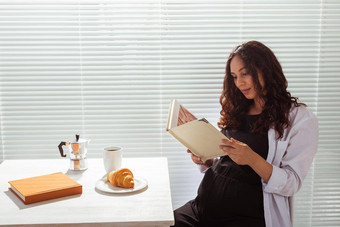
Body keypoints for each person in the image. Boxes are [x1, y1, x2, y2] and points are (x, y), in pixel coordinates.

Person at [173, 41, 318, 227]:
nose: (239, 83)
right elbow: (228, 163)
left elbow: (292, 183)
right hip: (202, 208)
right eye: (234, 76)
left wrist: (252, 158)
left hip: (245, 218)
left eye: (245, 73)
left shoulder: (300, 119)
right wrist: (206, 160)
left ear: (266, 70)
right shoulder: (238, 108)